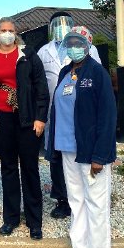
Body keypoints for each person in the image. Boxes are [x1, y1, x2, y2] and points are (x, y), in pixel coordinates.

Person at [46, 26, 116, 248]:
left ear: (87, 45)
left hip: (90, 152)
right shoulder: (66, 72)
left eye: (79, 42)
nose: (74, 46)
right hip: (67, 150)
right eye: (70, 42)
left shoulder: (97, 73)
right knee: (77, 204)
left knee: (97, 207)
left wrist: (101, 155)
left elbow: (107, 116)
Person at [0, 17, 49, 240]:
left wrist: (40, 118)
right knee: (8, 168)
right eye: (3, 30)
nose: (7, 34)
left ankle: (34, 220)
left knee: (29, 168)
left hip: (27, 119)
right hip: (2, 119)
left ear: (16, 34)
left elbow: (41, 88)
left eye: (11, 30)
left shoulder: (28, 56)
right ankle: (10, 218)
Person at [38, 11, 101, 219]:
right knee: (56, 157)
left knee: (80, 154)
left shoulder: (88, 49)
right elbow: (38, 82)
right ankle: (62, 200)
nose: (61, 28)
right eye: (56, 25)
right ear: (50, 28)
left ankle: (85, 197)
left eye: (65, 24)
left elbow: (98, 78)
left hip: (82, 113)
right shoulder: (44, 51)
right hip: (54, 114)